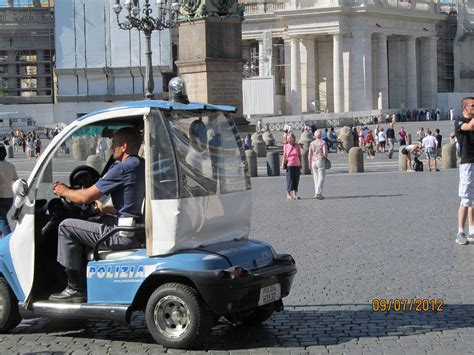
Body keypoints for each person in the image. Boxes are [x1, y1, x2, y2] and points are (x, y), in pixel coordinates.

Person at [49, 127, 145, 302]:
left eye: (113, 144)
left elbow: (84, 197)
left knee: (66, 227)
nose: (110, 147)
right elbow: (132, 205)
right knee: (96, 219)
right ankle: (87, 278)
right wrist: (106, 209)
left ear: (123, 146)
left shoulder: (122, 168)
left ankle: (74, 288)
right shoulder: (141, 164)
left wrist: (63, 191)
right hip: (135, 227)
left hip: (123, 234)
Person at [454, 97, 474, 245]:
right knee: (465, 199)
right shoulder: (460, 121)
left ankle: (472, 230)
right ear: (466, 108)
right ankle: (460, 232)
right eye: (473, 105)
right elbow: (469, 127)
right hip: (467, 163)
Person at [0, 145, 18, 237]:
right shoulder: (11, 166)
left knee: (2, 219)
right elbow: (16, 180)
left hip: (1, 197)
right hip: (9, 197)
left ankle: (8, 240)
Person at [281, 133, 301, 200]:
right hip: (289, 165)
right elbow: (284, 156)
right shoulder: (286, 146)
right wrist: (282, 164)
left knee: (296, 179)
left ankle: (295, 194)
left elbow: (299, 155)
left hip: (297, 165)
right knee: (289, 180)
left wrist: (300, 163)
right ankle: (289, 194)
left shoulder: (297, 146)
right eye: (287, 138)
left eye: (290, 138)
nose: (288, 139)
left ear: (293, 138)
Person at [308, 130, 328, 200]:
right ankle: (318, 193)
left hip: (313, 161)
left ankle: (316, 193)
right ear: (321, 135)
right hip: (320, 160)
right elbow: (325, 153)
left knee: (315, 178)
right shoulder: (323, 142)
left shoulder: (312, 143)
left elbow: (309, 154)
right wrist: (325, 156)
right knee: (321, 177)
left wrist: (309, 163)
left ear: (315, 135)